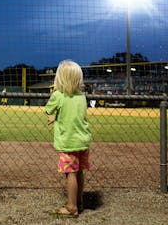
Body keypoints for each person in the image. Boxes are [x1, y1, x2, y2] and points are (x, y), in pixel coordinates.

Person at [45, 60, 92, 218]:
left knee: (70, 173)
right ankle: (79, 202)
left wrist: (54, 115)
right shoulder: (82, 96)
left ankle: (72, 207)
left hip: (68, 142)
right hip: (83, 141)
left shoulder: (58, 95)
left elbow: (49, 109)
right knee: (79, 172)